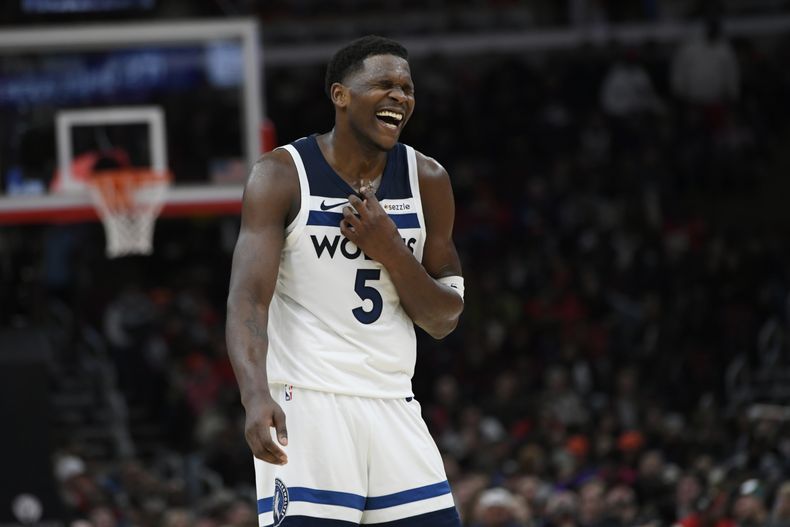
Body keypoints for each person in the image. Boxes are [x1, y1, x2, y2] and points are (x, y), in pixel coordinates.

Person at [226, 35, 465, 527]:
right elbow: (247, 300)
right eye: (384, 84)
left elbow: (443, 319)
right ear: (340, 95)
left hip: (394, 402)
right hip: (308, 402)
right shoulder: (281, 175)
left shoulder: (428, 180)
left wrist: (391, 249)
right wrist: (254, 395)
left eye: (407, 88)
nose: (399, 96)